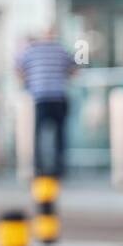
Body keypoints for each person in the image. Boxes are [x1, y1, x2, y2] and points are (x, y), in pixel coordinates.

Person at [16, 29, 76, 178]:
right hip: (58, 96)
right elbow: (74, 69)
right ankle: (59, 168)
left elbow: (18, 68)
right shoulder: (61, 49)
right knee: (60, 135)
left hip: (39, 98)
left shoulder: (31, 51)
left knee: (37, 134)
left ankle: (38, 167)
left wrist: (27, 83)